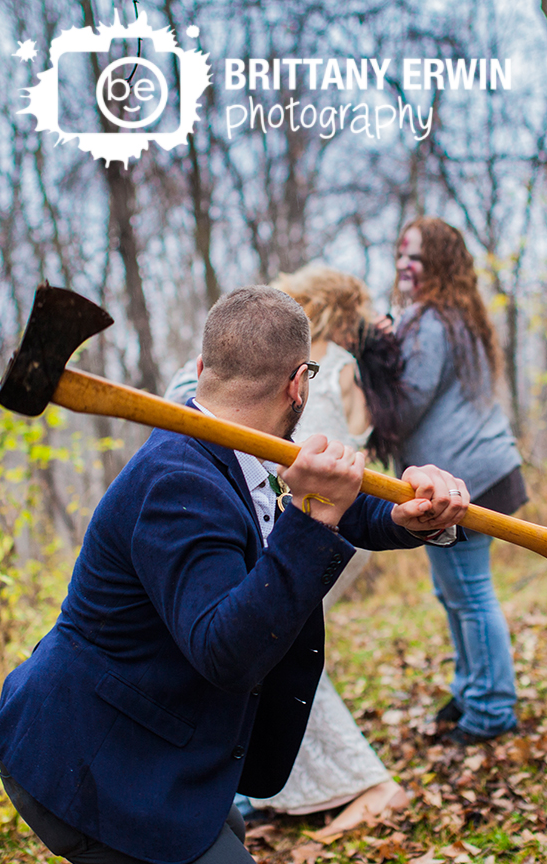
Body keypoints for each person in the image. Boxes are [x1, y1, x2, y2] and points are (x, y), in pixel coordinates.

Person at [0, 286, 469, 864]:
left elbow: (332, 504)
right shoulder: (179, 480)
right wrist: (310, 520)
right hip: (86, 759)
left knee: (224, 833)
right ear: (299, 383)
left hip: (159, 748)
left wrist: (406, 514)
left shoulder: (253, 449)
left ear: (202, 369)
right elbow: (228, 653)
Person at [238, 266, 406, 837]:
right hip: (313, 518)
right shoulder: (336, 370)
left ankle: (365, 782)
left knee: (281, 639)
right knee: (281, 642)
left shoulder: (319, 371)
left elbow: (331, 453)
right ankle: (282, 783)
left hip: (322, 519)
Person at [383, 217, 525, 744]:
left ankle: (491, 712)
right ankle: (472, 689)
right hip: (476, 471)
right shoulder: (449, 314)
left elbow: (405, 404)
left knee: (467, 593)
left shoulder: (431, 320)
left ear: (439, 263)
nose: (403, 263)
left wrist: (367, 376)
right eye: (400, 252)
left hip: (466, 480)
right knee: (455, 593)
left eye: (415, 255)